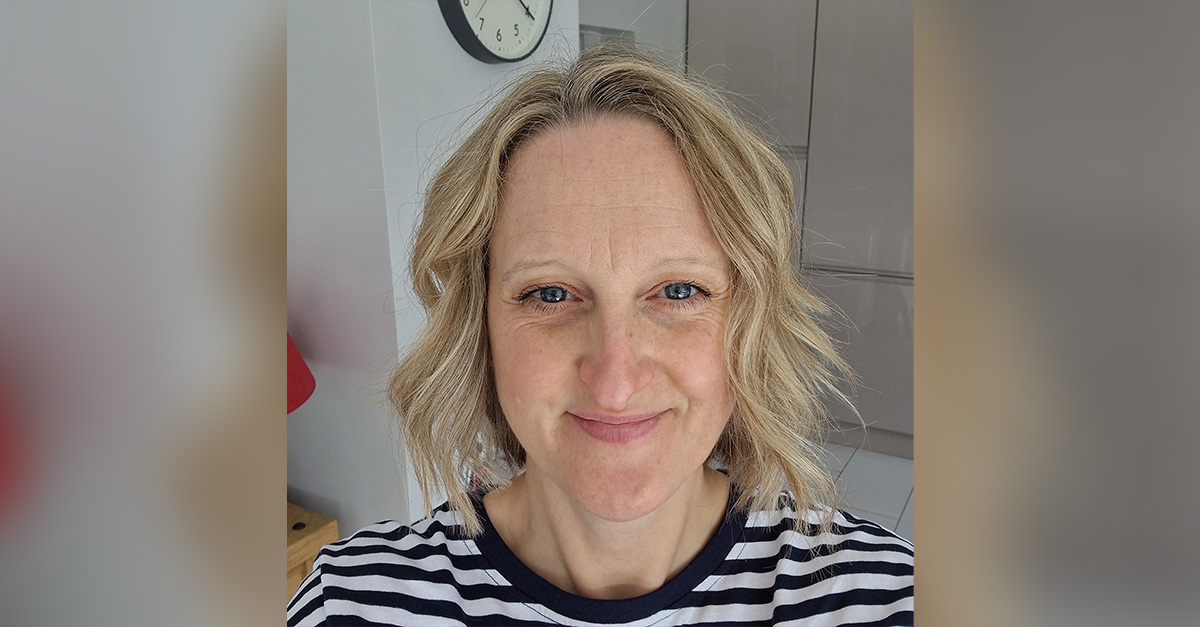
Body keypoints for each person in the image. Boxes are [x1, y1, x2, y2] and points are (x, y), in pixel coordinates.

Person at [288, 43, 913, 626]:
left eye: (678, 291)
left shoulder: (887, 599)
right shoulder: (351, 606)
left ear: (748, 322)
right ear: (479, 330)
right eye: (550, 294)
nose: (615, 382)